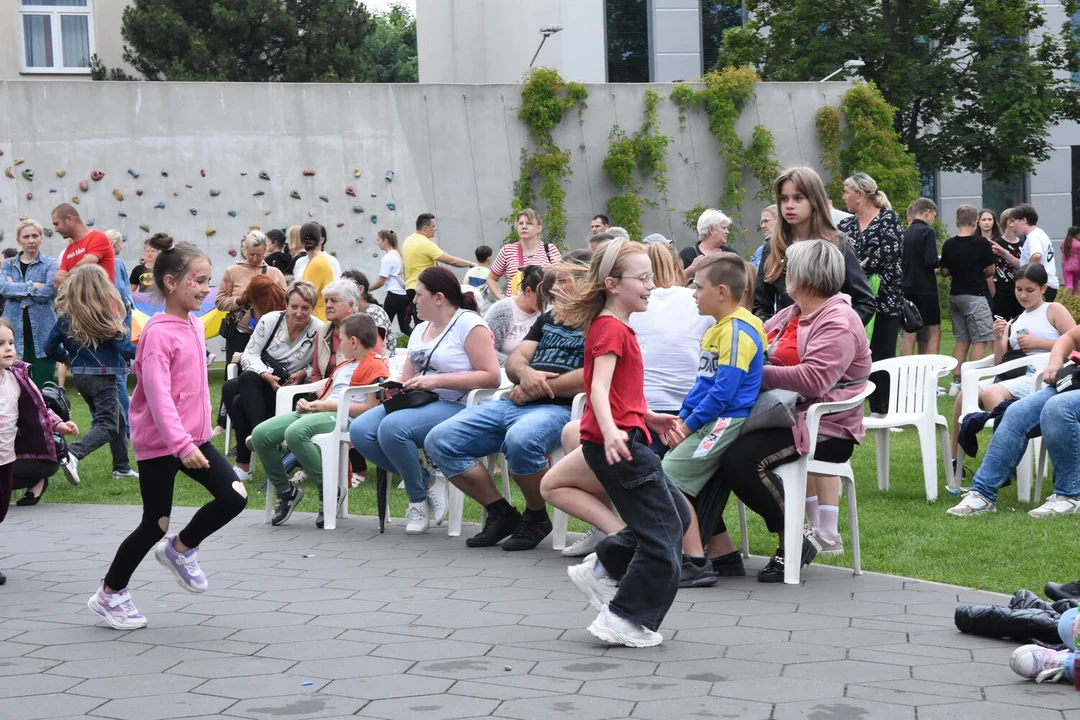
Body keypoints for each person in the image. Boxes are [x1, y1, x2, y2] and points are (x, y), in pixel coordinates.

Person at [87, 235, 247, 630]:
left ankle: (180, 549)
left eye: (208, 280)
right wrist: (180, 444)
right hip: (163, 444)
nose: (206, 289)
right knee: (152, 524)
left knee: (234, 496)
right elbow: (158, 398)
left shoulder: (192, 324)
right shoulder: (158, 333)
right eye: (199, 280)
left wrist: (197, 435)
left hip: (194, 439)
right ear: (172, 282)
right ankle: (109, 595)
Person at [704, 239, 872, 580]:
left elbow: (814, 380)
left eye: (787, 268)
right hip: (781, 415)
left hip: (827, 427)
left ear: (804, 277)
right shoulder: (792, 313)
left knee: (741, 461)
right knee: (704, 451)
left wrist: (750, 374)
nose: (781, 274)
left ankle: (794, 541)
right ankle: (718, 549)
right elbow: (753, 339)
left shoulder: (838, 320)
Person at [557, 239, 690, 649]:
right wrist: (614, 429)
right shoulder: (611, 327)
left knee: (678, 516)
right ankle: (625, 618)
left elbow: (614, 388)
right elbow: (597, 387)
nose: (651, 285)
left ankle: (603, 567)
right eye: (643, 278)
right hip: (620, 445)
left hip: (627, 436)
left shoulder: (613, 325)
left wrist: (644, 416)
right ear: (613, 283)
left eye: (651, 277)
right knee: (663, 535)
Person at [425, 264, 587, 551]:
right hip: (515, 400)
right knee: (440, 440)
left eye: (563, 282)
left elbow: (590, 376)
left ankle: (536, 516)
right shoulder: (549, 318)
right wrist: (526, 377)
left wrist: (533, 387)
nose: (553, 289)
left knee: (521, 439)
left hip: (559, 409)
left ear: (586, 284)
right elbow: (515, 360)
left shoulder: (598, 321)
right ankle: (501, 512)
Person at [349, 267, 500, 534]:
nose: (414, 301)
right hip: (420, 401)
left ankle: (416, 500)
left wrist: (438, 380)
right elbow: (408, 376)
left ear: (438, 298)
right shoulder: (420, 330)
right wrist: (398, 386)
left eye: (419, 295)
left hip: (459, 404)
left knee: (393, 428)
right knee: (360, 430)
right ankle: (428, 482)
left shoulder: (468, 323)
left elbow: (491, 377)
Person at [662, 254, 766, 588]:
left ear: (721, 291)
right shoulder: (720, 328)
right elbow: (703, 385)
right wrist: (681, 418)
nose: (692, 293)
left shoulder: (737, 332)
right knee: (672, 477)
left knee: (669, 479)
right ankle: (721, 557)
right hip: (707, 419)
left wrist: (688, 427)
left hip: (723, 422)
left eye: (698, 286)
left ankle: (694, 562)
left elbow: (723, 394)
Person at [253, 314, 389, 528]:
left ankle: (329, 491)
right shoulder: (344, 366)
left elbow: (371, 409)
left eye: (341, 338)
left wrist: (325, 406)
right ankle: (286, 492)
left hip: (346, 418)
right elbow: (327, 395)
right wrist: (308, 405)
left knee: (295, 433)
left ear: (353, 341)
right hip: (322, 412)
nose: (339, 343)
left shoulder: (376, 367)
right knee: (261, 434)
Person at [946, 322, 1080, 519]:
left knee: (1058, 408)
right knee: (1016, 411)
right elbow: (1069, 337)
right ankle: (982, 494)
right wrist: (1056, 359)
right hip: (1072, 382)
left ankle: (1069, 495)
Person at [948, 263, 1074, 470]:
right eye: (1019, 289)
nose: (1023, 295)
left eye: (1029, 290)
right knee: (965, 394)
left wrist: (1038, 344)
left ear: (1043, 288)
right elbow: (1001, 363)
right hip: (1014, 375)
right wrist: (1000, 338)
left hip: (1043, 375)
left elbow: (1073, 346)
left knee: (992, 393)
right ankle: (955, 461)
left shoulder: (1053, 310)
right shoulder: (1017, 319)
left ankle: (1004, 462)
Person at [0, 319, 79, 582]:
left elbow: (40, 410)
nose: (8, 349)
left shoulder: (17, 378)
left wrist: (59, 424)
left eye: (10, 343)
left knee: (1, 509)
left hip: (6, 457)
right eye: (0, 344)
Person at [45, 265, 137, 485]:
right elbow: (124, 347)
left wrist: (67, 358)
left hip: (81, 377)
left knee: (119, 419)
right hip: (103, 376)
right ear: (102, 285)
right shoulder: (106, 314)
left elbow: (48, 347)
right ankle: (73, 454)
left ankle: (122, 468)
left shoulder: (67, 316)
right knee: (108, 424)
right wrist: (150, 351)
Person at [753, 167, 876, 326]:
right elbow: (760, 304)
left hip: (830, 342)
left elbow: (865, 301)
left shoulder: (837, 243)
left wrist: (837, 330)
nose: (789, 205)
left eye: (798, 198)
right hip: (786, 343)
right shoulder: (773, 246)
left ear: (814, 200)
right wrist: (774, 332)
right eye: (784, 199)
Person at [226, 281, 323, 481]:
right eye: (294, 306)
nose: (298, 312)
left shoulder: (319, 329)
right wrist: (266, 375)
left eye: (305, 308)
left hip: (294, 387)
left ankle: (247, 460)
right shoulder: (270, 320)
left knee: (236, 400)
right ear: (286, 304)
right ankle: (259, 434)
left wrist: (302, 374)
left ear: (312, 308)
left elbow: (319, 367)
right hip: (264, 378)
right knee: (244, 380)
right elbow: (249, 355)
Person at [630, 242, 714, 456]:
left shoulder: (631, 305)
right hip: (689, 410)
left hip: (641, 408)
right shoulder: (697, 301)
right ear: (678, 268)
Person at [838, 172, 904, 418]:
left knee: (883, 351)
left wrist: (856, 267)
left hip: (885, 298)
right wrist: (857, 267)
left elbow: (889, 253)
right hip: (854, 300)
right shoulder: (844, 225)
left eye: (846, 191)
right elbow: (838, 258)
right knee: (852, 352)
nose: (843, 196)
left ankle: (882, 408)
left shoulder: (889, 219)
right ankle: (848, 405)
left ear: (859, 194)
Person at [212, 231, 287, 433]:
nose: (255, 259)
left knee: (255, 378)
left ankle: (254, 419)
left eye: (260, 255)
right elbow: (220, 302)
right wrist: (240, 300)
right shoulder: (232, 271)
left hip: (267, 336)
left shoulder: (274, 273)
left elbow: (284, 301)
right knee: (232, 374)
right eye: (252, 254)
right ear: (244, 250)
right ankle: (224, 422)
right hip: (240, 331)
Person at [940, 205, 997, 395]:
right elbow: (991, 270)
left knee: (962, 340)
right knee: (980, 340)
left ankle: (955, 383)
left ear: (957, 223)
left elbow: (945, 271)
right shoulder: (981, 242)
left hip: (955, 296)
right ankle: (971, 381)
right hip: (976, 295)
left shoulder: (948, 244)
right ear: (975, 223)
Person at [1, 219, 59, 387]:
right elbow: (3, 288)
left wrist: (16, 289)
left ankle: (46, 414)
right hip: (13, 335)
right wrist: (32, 286)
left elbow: (48, 292)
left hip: (44, 334)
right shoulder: (9, 264)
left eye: (35, 235)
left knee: (44, 384)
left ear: (41, 238)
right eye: (26, 236)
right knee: (16, 384)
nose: (31, 240)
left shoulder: (51, 263)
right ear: (19, 240)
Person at [402, 213, 477, 317]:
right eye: (433, 226)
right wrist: (470, 264)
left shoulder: (407, 241)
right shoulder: (425, 244)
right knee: (433, 321)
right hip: (425, 289)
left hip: (410, 288)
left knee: (420, 323)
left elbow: (404, 265)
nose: (435, 229)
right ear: (425, 228)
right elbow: (451, 261)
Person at [487, 210, 563, 301]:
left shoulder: (550, 250)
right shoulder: (507, 250)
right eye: (520, 223)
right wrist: (502, 299)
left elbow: (562, 278)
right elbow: (491, 278)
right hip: (515, 307)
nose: (524, 227)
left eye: (529, 223)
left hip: (545, 306)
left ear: (538, 228)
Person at [900, 198, 941, 356]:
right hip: (925, 288)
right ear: (928, 212)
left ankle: (905, 372)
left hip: (907, 287)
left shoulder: (905, 232)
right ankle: (931, 369)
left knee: (910, 330)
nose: (933, 220)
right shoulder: (928, 232)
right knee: (933, 330)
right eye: (934, 216)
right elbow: (930, 261)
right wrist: (942, 260)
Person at [105, 230, 135, 443]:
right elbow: (122, 291)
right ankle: (128, 425)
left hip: (109, 317)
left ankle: (115, 421)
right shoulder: (116, 262)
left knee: (117, 372)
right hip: (119, 318)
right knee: (118, 373)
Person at [483, 264, 544, 365]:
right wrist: (518, 367)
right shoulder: (502, 311)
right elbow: (485, 350)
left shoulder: (547, 311)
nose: (546, 302)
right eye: (542, 297)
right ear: (528, 291)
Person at [51, 203, 115, 287]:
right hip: (78, 300)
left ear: (69, 219)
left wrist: (66, 278)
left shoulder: (98, 238)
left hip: (100, 299)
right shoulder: (68, 250)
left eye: (57, 224)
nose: (56, 230)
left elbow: (82, 269)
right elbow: (57, 282)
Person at [342, 270, 396, 357]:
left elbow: (376, 349)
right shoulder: (351, 312)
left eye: (344, 288)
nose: (340, 293)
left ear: (361, 289)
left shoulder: (374, 312)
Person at [1012, 203, 1060, 301]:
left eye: (1014, 221)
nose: (1012, 225)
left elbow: (1037, 256)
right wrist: (1004, 252)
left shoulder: (1033, 237)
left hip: (1041, 284)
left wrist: (1028, 276)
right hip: (1048, 284)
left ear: (1024, 220)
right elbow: (1024, 263)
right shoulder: (1039, 234)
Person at [369, 229, 411, 336]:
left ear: (385, 241)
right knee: (405, 327)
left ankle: (381, 350)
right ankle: (422, 343)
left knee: (383, 326)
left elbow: (381, 281)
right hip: (405, 295)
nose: (377, 242)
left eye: (378, 240)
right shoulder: (399, 255)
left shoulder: (388, 258)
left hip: (394, 296)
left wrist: (365, 289)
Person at [989, 207, 1025, 320]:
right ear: (1009, 222)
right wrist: (993, 293)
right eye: (1019, 220)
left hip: (1019, 291)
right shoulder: (996, 244)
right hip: (1001, 292)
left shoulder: (1024, 244)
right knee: (1000, 327)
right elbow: (989, 270)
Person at [681, 208, 732, 281]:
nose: (727, 232)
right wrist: (691, 270)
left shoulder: (731, 254)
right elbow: (672, 282)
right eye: (724, 228)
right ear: (711, 230)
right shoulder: (687, 254)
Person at [299, 222, 335, 322]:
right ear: (320, 240)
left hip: (318, 319)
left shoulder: (316, 263)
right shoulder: (318, 260)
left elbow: (304, 296)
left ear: (301, 242)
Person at [750, 205, 777, 270]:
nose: (763, 226)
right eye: (762, 222)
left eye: (766, 221)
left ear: (778, 221)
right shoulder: (760, 250)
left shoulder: (789, 247)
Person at [1061, 226, 1080, 294]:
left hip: (1066, 267)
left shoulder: (1064, 243)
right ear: (1077, 234)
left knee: (1068, 285)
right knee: (1075, 285)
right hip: (1077, 267)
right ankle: (1074, 301)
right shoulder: (1078, 244)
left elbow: (1063, 254)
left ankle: (1066, 300)